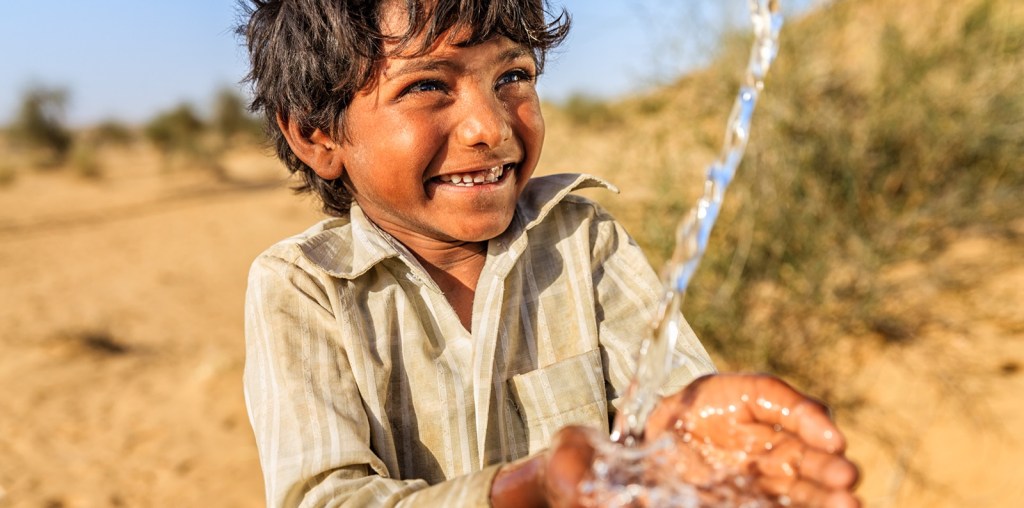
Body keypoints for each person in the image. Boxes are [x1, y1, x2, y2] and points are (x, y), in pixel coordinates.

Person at [239, 0, 860, 506]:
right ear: (317, 135)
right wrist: (527, 487)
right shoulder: (305, 288)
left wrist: (696, 432)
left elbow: (670, 412)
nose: (491, 127)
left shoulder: (583, 240)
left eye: (513, 77)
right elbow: (326, 497)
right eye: (428, 85)